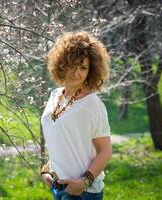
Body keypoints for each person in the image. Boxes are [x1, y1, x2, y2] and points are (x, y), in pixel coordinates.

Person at [40, 31, 112, 200]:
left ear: (91, 70)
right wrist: (47, 169)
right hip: (57, 187)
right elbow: (61, 139)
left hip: (83, 192)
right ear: (62, 64)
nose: (77, 72)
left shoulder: (92, 104)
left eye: (83, 67)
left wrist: (83, 183)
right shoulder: (55, 95)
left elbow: (105, 151)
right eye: (72, 65)